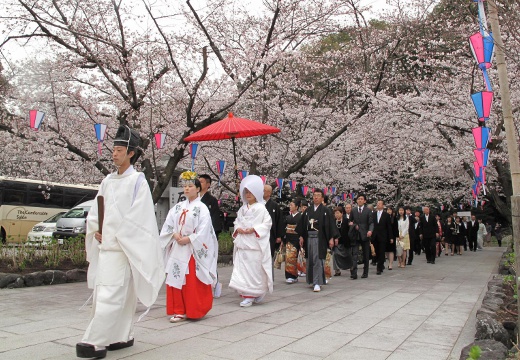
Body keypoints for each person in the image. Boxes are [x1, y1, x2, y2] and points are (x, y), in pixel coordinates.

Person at [77, 126, 165, 359]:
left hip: (123, 246)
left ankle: (94, 341)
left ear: (131, 153)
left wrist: (119, 235)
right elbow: (97, 208)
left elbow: (141, 217)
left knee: (111, 293)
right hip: (107, 245)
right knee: (115, 292)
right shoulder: (107, 180)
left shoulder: (138, 181)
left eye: (119, 150)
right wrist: (96, 229)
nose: (114, 154)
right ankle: (122, 335)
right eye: (113, 150)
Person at [160, 171, 218, 323]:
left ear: (198, 189)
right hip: (178, 246)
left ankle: (194, 310)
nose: (186, 189)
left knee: (191, 280)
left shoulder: (202, 208)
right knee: (175, 277)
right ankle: (178, 310)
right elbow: (168, 225)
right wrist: (174, 234)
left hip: (192, 248)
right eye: (185, 186)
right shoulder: (178, 207)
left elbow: (205, 230)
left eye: (190, 186)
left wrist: (190, 238)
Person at [230, 175, 273, 307]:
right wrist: (238, 229)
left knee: (254, 270)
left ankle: (255, 293)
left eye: (250, 192)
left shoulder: (261, 208)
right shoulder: (242, 209)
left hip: (254, 243)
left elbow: (267, 224)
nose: (248, 195)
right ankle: (247, 294)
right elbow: (237, 222)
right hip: (243, 243)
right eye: (246, 192)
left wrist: (253, 229)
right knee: (242, 270)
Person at [298, 189, 336, 292]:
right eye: (314, 195)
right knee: (310, 259)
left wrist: (331, 238)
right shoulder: (308, 211)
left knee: (318, 260)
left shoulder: (326, 210)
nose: (316, 197)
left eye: (318, 195)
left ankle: (317, 282)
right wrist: (301, 236)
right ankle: (311, 280)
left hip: (320, 239)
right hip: (309, 238)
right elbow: (302, 224)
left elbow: (331, 225)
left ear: (322, 198)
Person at [198, 174, 223, 297]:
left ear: (208, 185)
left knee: (209, 260)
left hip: (207, 236)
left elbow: (214, 220)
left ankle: (213, 284)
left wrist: (213, 235)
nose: (199, 183)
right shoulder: (193, 199)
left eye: (201, 182)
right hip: (194, 236)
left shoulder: (212, 201)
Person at [351, 194, 374, 278]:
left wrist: (370, 230)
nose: (360, 200)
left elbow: (371, 222)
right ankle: (354, 273)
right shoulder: (353, 210)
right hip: (356, 234)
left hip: (365, 234)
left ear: (364, 201)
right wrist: (353, 225)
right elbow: (350, 221)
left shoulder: (368, 211)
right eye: (358, 199)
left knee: (365, 254)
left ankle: (365, 272)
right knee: (355, 254)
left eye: (361, 199)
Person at [372, 200, 393, 274]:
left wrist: (391, 237)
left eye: (380, 204)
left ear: (383, 206)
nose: (378, 205)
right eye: (377, 204)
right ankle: (380, 264)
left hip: (383, 236)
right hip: (375, 236)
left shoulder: (386, 215)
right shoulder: (373, 214)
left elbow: (389, 227)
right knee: (377, 251)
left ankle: (379, 267)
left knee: (381, 251)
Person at [264, 185, 285, 258]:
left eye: (264, 190)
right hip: (260, 233)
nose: (262, 192)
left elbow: (279, 220)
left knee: (269, 254)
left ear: (269, 193)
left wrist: (279, 236)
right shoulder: (259, 204)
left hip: (271, 234)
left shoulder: (274, 205)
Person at [284, 200, 302, 283]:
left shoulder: (300, 216)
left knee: (293, 257)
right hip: (288, 238)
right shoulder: (288, 217)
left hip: (296, 238)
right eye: (290, 205)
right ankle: (289, 276)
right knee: (288, 258)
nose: (290, 206)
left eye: (292, 205)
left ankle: (294, 275)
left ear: (297, 207)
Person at [332, 206, 350, 277]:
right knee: (335, 255)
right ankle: (337, 270)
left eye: (337, 213)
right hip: (336, 242)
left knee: (347, 255)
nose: (336, 215)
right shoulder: (333, 221)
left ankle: (350, 267)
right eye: (335, 213)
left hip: (344, 241)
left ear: (342, 213)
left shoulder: (346, 221)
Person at [385, 206, 398, 270]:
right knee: (386, 251)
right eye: (388, 210)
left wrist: (395, 236)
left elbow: (396, 228)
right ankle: (389, 260)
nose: (389, 211)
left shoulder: (394, 218)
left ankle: (390, 264)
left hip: (392, 236)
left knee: (391, 250)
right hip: (385, 236)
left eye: (390, 210)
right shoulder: (384, 217)